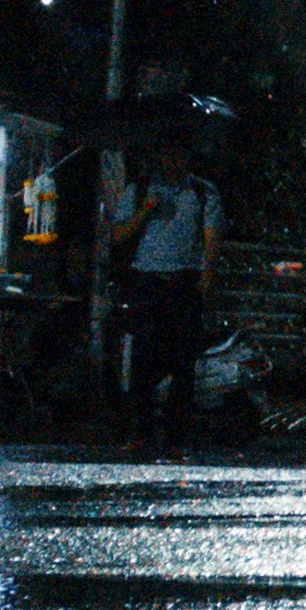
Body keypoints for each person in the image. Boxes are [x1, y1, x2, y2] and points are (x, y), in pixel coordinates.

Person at [113, 128, 223, 438]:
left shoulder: (202, 193)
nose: (172, 162)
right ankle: (141, 430)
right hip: (147, 280)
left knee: (183, 361)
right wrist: (145, 211)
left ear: (187, 159)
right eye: (167, 155)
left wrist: (206, 277)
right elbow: (118, 235)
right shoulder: (140, 190)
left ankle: (176, 434)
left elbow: (212, 238)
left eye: (179, 155)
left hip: (183, 281)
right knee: (143, 357)